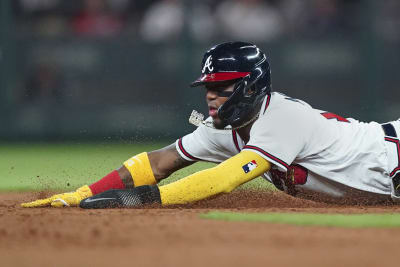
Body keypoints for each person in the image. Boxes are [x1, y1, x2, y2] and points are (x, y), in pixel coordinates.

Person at [22, 41, 400, 209]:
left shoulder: (281, 117)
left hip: (391, 152)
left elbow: (224, 179)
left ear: (251, 86)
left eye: (221, 87)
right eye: (209, 87)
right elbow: (158, 163)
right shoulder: (223, 129)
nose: (211, 96)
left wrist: (142, 200)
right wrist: (80, 194)